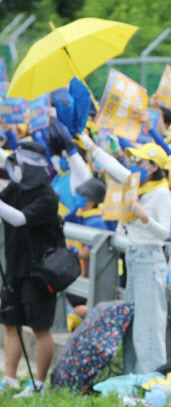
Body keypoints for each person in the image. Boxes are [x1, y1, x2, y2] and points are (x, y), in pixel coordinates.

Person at [79, 133, 171, 374]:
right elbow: (116, 169)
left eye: (141, 162)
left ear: (153, 167)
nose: (136, 166)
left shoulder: (161, 193)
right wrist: (92, 147)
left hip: (150, 259)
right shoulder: (138, 185)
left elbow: (163, 232)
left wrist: (145, 218)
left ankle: (152, 383)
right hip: (134, 258)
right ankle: (133, 379)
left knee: (149, 326)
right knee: (133, 325)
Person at [0, 142, 60, 397]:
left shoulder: (47, 197)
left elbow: (20, 219)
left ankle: (38, 384)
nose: (16, 168)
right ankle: (10, 379)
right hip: (15, 267)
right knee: (11, 324)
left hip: (39, 272)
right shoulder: (16, 188)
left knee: (40, 328)